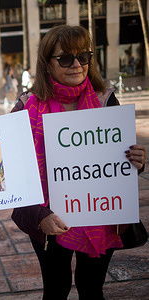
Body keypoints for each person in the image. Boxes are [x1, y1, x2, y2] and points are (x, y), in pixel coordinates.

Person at [10, 25, 147, 300]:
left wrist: (136, 161)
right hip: (48, 216)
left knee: (92, 288)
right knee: (56, 289)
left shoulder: (105, 99)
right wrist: (39, 216)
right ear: (46, 63)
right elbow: (12, 172)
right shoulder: (26, 107)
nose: (76, 65)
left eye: (84, 57)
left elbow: (119, 161)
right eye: (65, 58)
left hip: (100, 213)